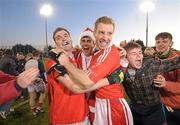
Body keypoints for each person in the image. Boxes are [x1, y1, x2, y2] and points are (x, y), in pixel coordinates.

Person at [57, 16, 133, 125]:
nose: (106, 37)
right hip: (98, 102)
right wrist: (110, 79)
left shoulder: (109, 52)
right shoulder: (95, 53)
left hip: (111, 106)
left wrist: (66, 64)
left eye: (109, 33)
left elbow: (86, 81)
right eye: (101, 32)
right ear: (95, 34)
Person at [119, 41, 180, 125]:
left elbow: (174, 62)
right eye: (133, 53)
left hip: (154, 110)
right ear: (126, 57)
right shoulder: (121, 69)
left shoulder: (151, 64)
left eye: (140, 52)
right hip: (134, 109)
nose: (138, 56)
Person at [46, 27, 90, 125]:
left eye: (66, 35)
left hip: (83, 114)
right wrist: (107, 81)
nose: (63, 38)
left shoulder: (76, 57)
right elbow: (73, 87)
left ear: (71, 39)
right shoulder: (53, 62)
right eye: (58, 38)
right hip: (66, 118)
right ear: (56, 44)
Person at [154, 32, 180, 125]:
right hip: (163, 104)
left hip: (177, 105)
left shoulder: (178, 58)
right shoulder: (154, 59)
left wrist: (165, 84)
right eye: (158, 42)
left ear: (171, 44)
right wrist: (164, 102)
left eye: (164, 41)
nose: (160, 44)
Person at [25, 50, 46, 117]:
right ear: (39, 55)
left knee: (32, 97)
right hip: (37, 80)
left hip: (29, 81)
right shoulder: (39, 62)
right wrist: (45, 81)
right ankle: (39, 108)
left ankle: (34, 112)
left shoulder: (27, 62)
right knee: (43, 93)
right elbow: (43, 73)